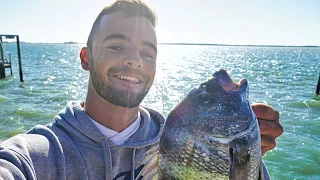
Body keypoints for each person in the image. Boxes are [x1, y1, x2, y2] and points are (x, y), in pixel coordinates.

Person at [0, 0, 283, 179]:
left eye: (147, 53)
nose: (135, 60)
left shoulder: (185, 140)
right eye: (116, 46)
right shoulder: (37, 156)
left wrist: (249, 157)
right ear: (86, 57)